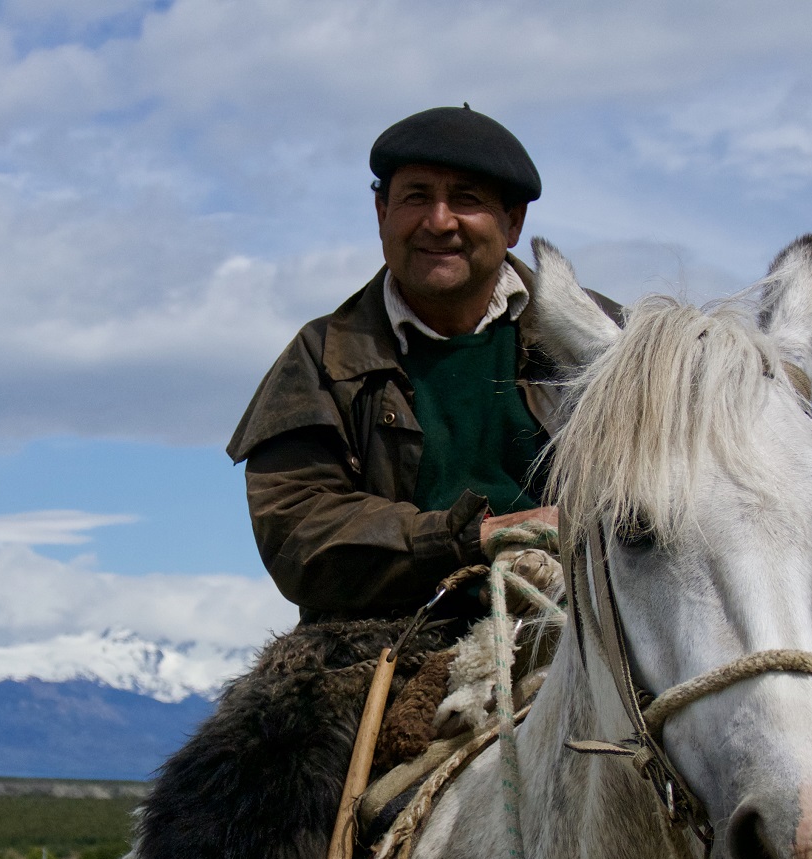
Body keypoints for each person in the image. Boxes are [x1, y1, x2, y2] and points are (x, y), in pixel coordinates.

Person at [226, 105, 617, 623]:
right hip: (388, 641)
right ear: (382, 213)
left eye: (466, 199)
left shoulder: (609, 340)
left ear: (513, 222)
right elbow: (298, 533)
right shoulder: (323, 357)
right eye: (415, 197)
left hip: (594, 629)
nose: (439, 221)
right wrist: (479, 538)